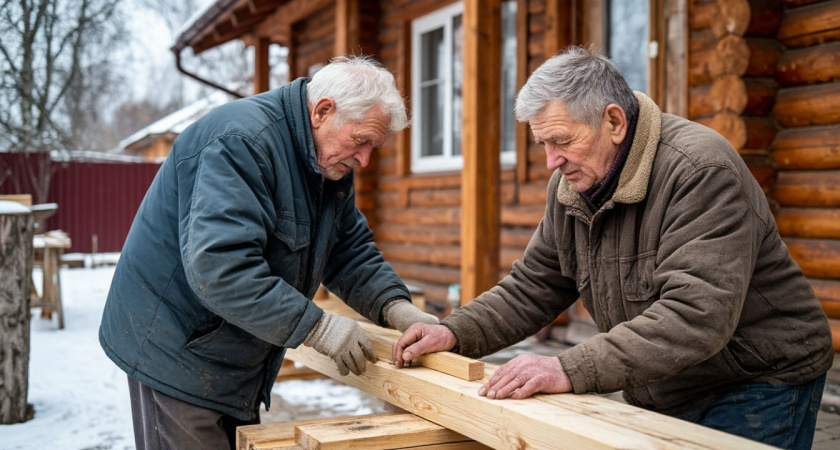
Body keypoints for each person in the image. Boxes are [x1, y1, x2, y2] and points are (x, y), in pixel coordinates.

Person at [393, 46, 833, 448]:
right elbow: (535, 285)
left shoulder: (700, 170)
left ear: (614, 122)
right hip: (667, 381)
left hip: (757, 379)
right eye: (543, 144)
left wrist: (568, 368)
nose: (551, 161)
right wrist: (456, 331)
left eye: (562, 141)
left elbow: (696, 315)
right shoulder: (573, 184)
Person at [99, 56, 438, 450]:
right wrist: (317, 327)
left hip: (232, 348)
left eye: (373, 147)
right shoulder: (241, 142)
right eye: (361, 141)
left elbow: (349, 251)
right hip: (175, 347)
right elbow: (221, 269)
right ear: (322, 111)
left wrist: (398, 309)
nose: (365, 159)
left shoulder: (327, 162)